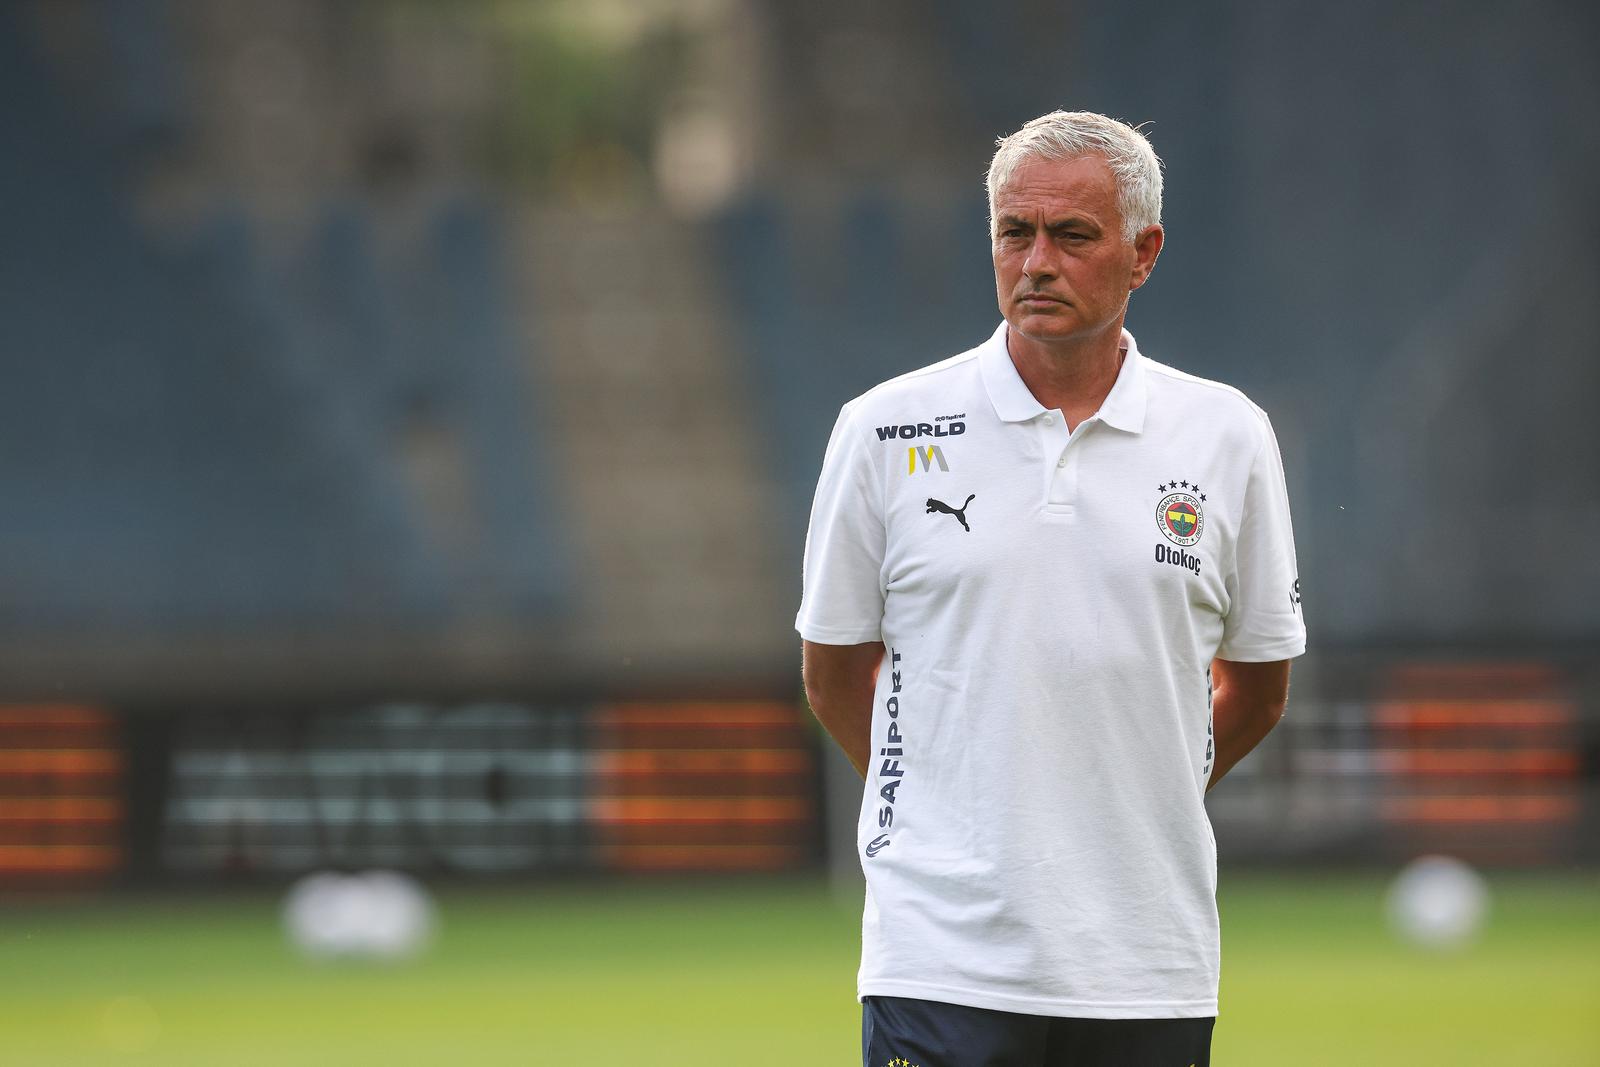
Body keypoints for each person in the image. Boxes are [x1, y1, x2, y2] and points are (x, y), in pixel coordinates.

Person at [796, 111, 1306, 1067]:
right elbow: (832, 672)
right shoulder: (882, 430)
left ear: (1143, 253)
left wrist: (1130, 793)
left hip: (1147, 958)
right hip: (937, 959)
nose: (1037, 262)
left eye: (1072, 236)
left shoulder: (1228, 436)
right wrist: (946, 808)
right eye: (1013, 233)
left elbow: (1261, 686)